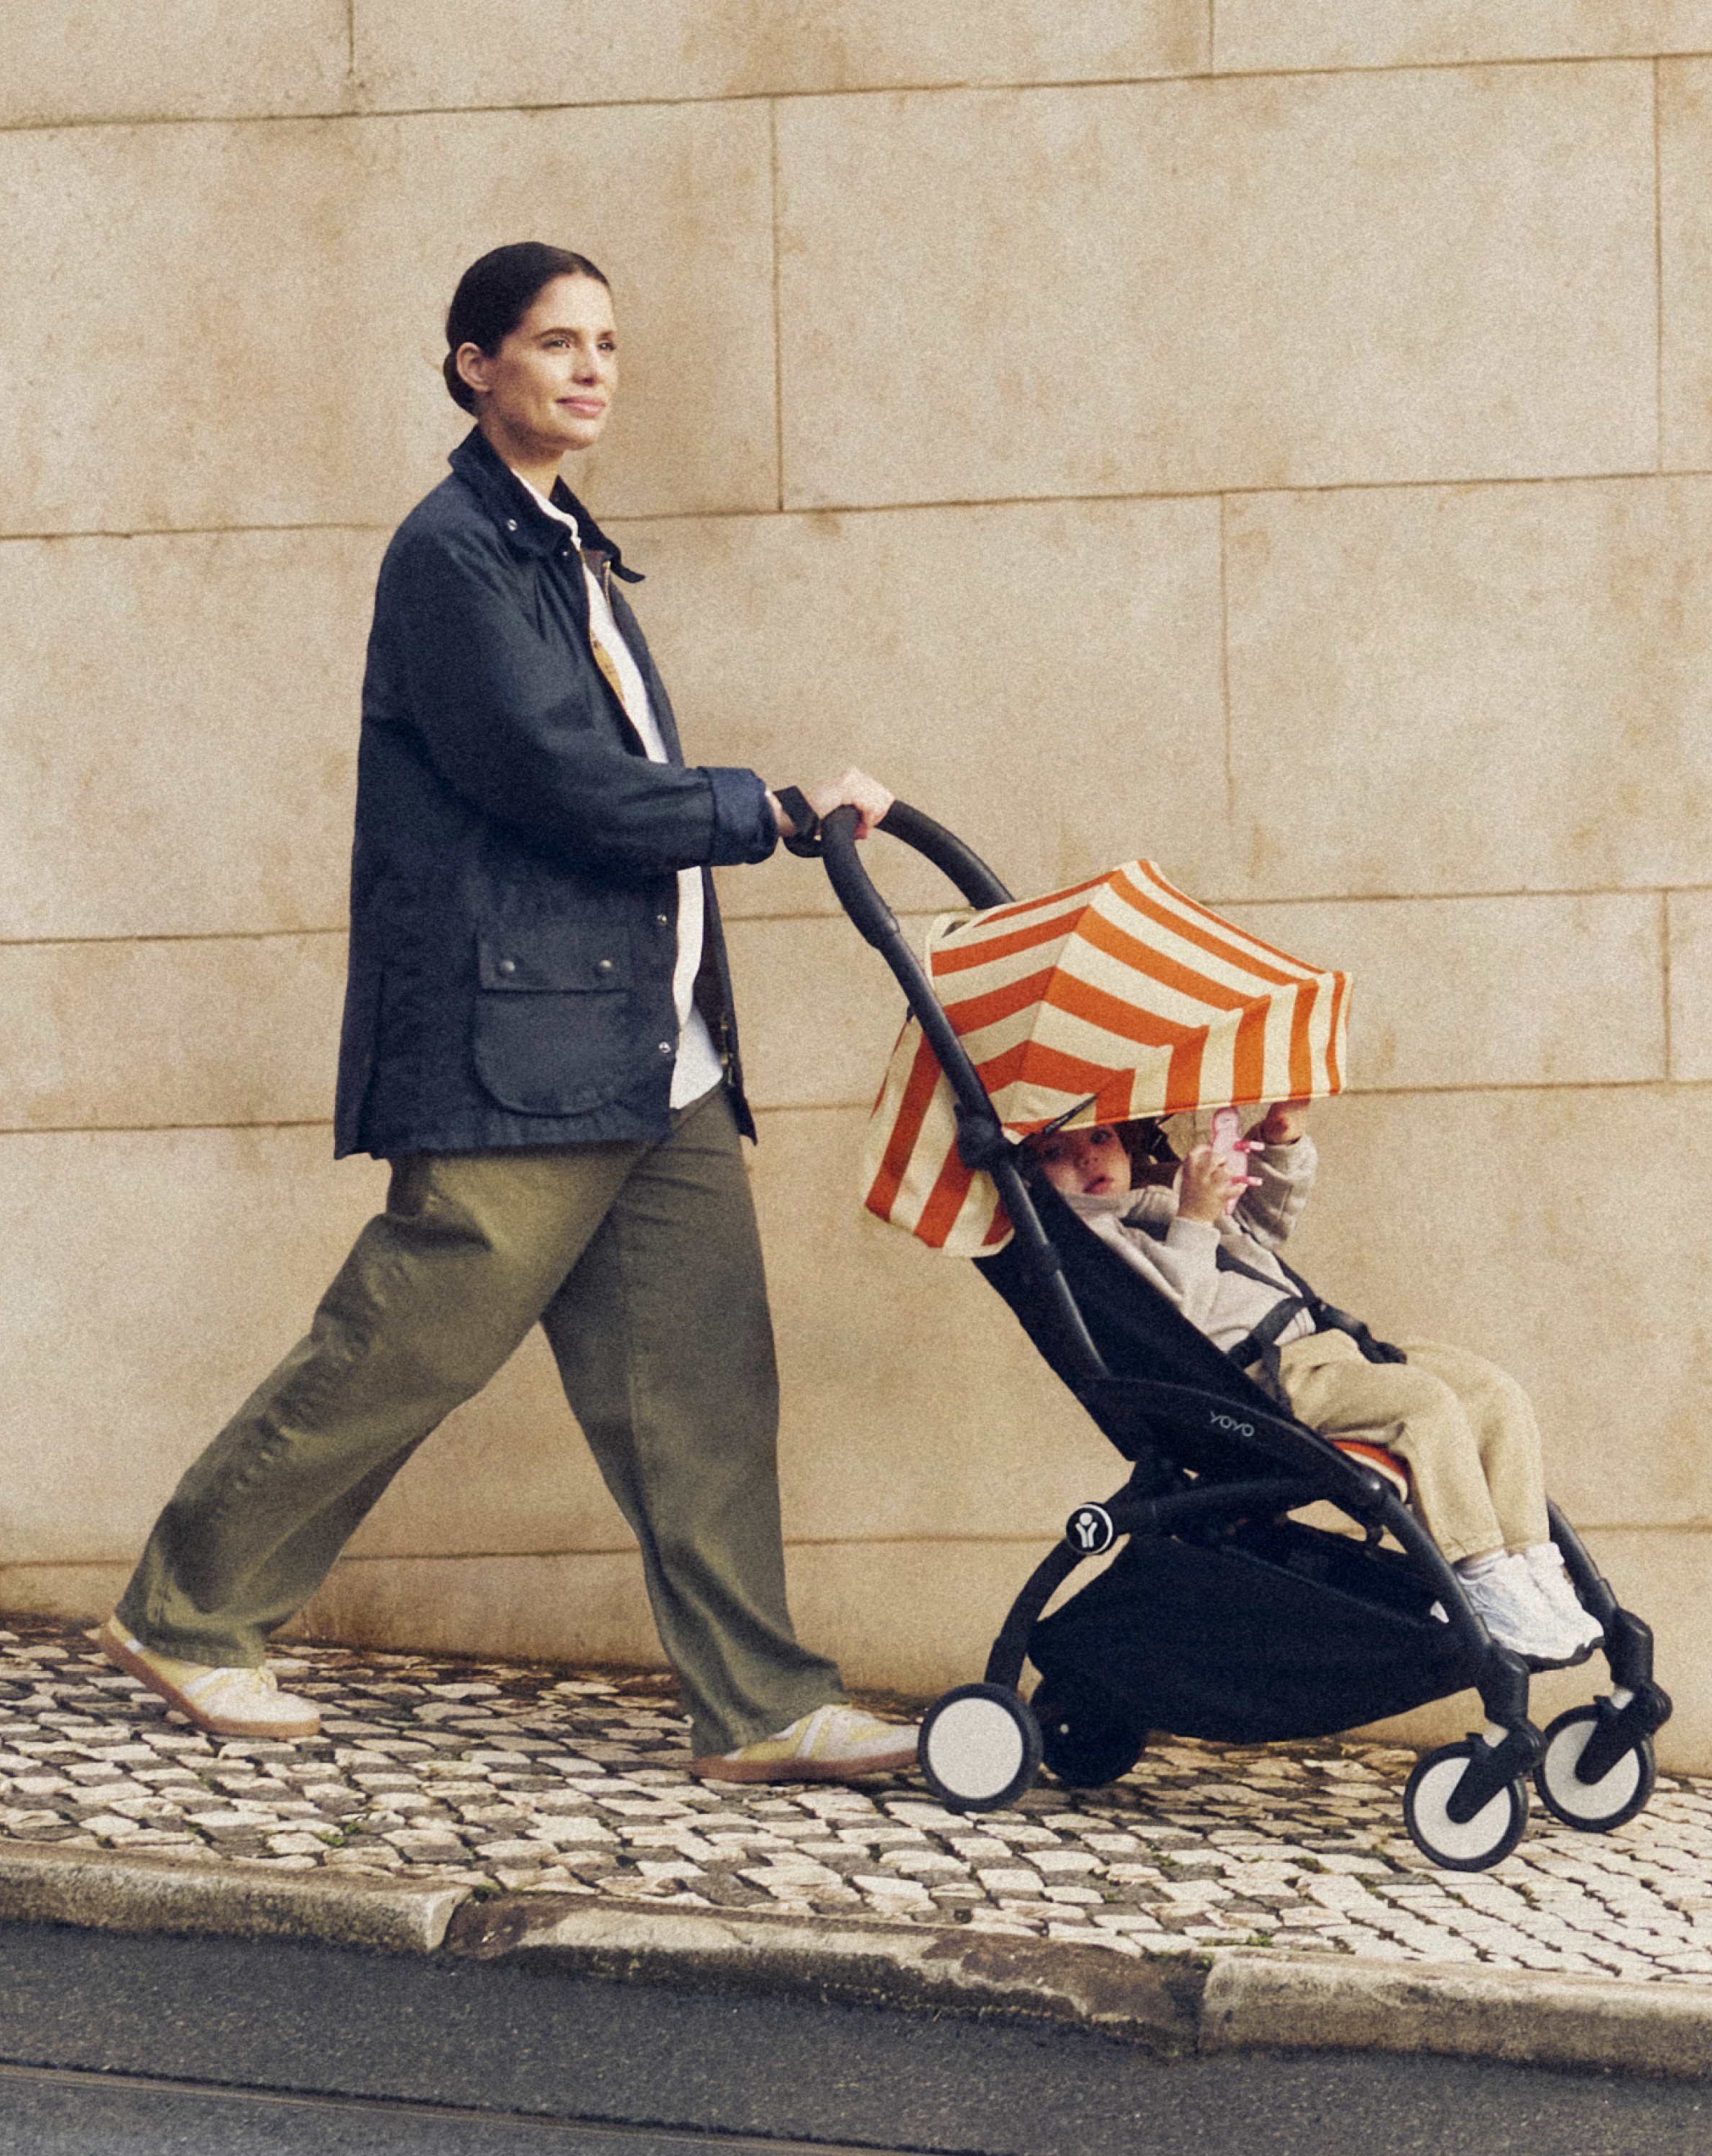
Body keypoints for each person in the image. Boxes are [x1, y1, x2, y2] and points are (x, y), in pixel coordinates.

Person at [96, 241, 916, 1785]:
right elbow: (551, 779)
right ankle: (191, 1611)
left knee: (706, 1383)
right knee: (402, 1344)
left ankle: (760, 1699)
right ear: (474, 363)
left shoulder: (559, 545)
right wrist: (770, 806)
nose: (591, 368)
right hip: (532, 1047)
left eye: (607, 340)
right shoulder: (454, 555)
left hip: (650, 1049)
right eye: (555, 341)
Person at [1025, 1107, 1603, 1663]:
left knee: (1489, 1391)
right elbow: (1165, 1313)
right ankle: (1480, 1575)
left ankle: (1532, 1561)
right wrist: (1195, 1220)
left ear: (1124, 1141)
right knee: (1422, 1407)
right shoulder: (1087, 1244)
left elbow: (1262, 1228)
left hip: (1332, 1350)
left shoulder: (1159, 1195)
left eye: (1099, 1137)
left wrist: (1282, 1146)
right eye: (1055, 1151)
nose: (1086, 1158)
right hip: (1264, 1387)